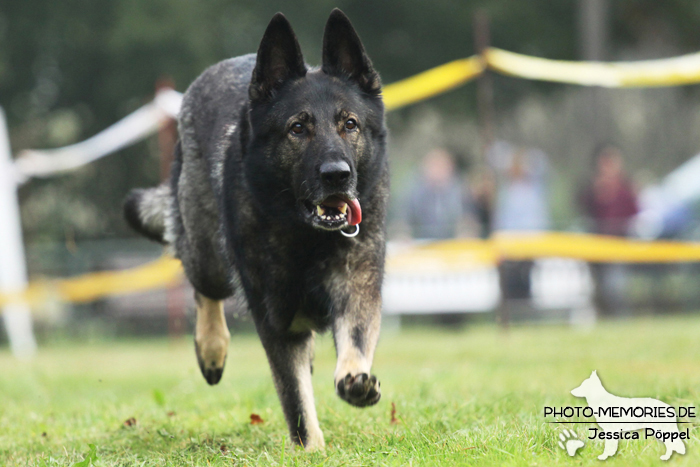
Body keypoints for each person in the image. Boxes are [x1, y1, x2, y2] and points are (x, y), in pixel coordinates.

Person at [579, 144, 639, 316]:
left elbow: (634, 213)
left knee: (616, 286)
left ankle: (620, 317)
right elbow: (583, 207)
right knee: (599, 287)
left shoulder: (626, 187)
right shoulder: (592, 188)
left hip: (619, 244)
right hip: (597, 246)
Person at [406, 148, 469, 239]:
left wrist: (465, 232)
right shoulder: (413, 192)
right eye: (433, 166)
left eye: (441, 166)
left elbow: (468, 219)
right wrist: (403, 234)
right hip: (421, 244)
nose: (436, 171)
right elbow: (402, 220)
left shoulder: (461, 192)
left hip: (452, 244)